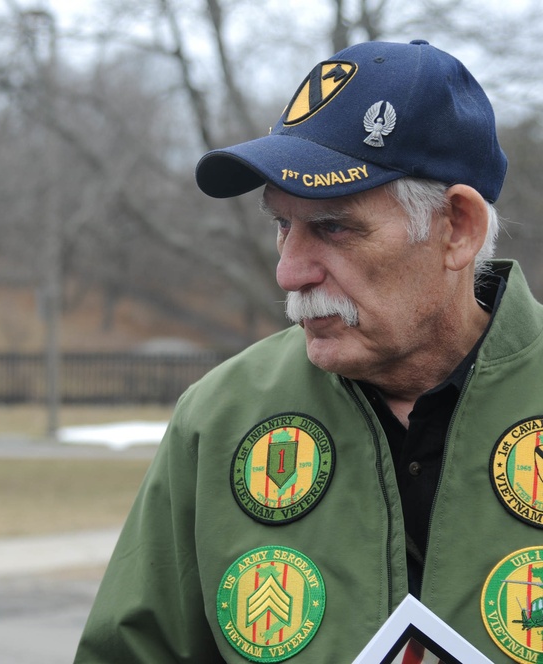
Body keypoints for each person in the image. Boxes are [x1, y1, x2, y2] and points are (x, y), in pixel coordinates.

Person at [76, 40, 542, 663]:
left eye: (334, 227)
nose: (290, 272)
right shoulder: (219, 418)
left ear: (457, 227)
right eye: (282, 226)